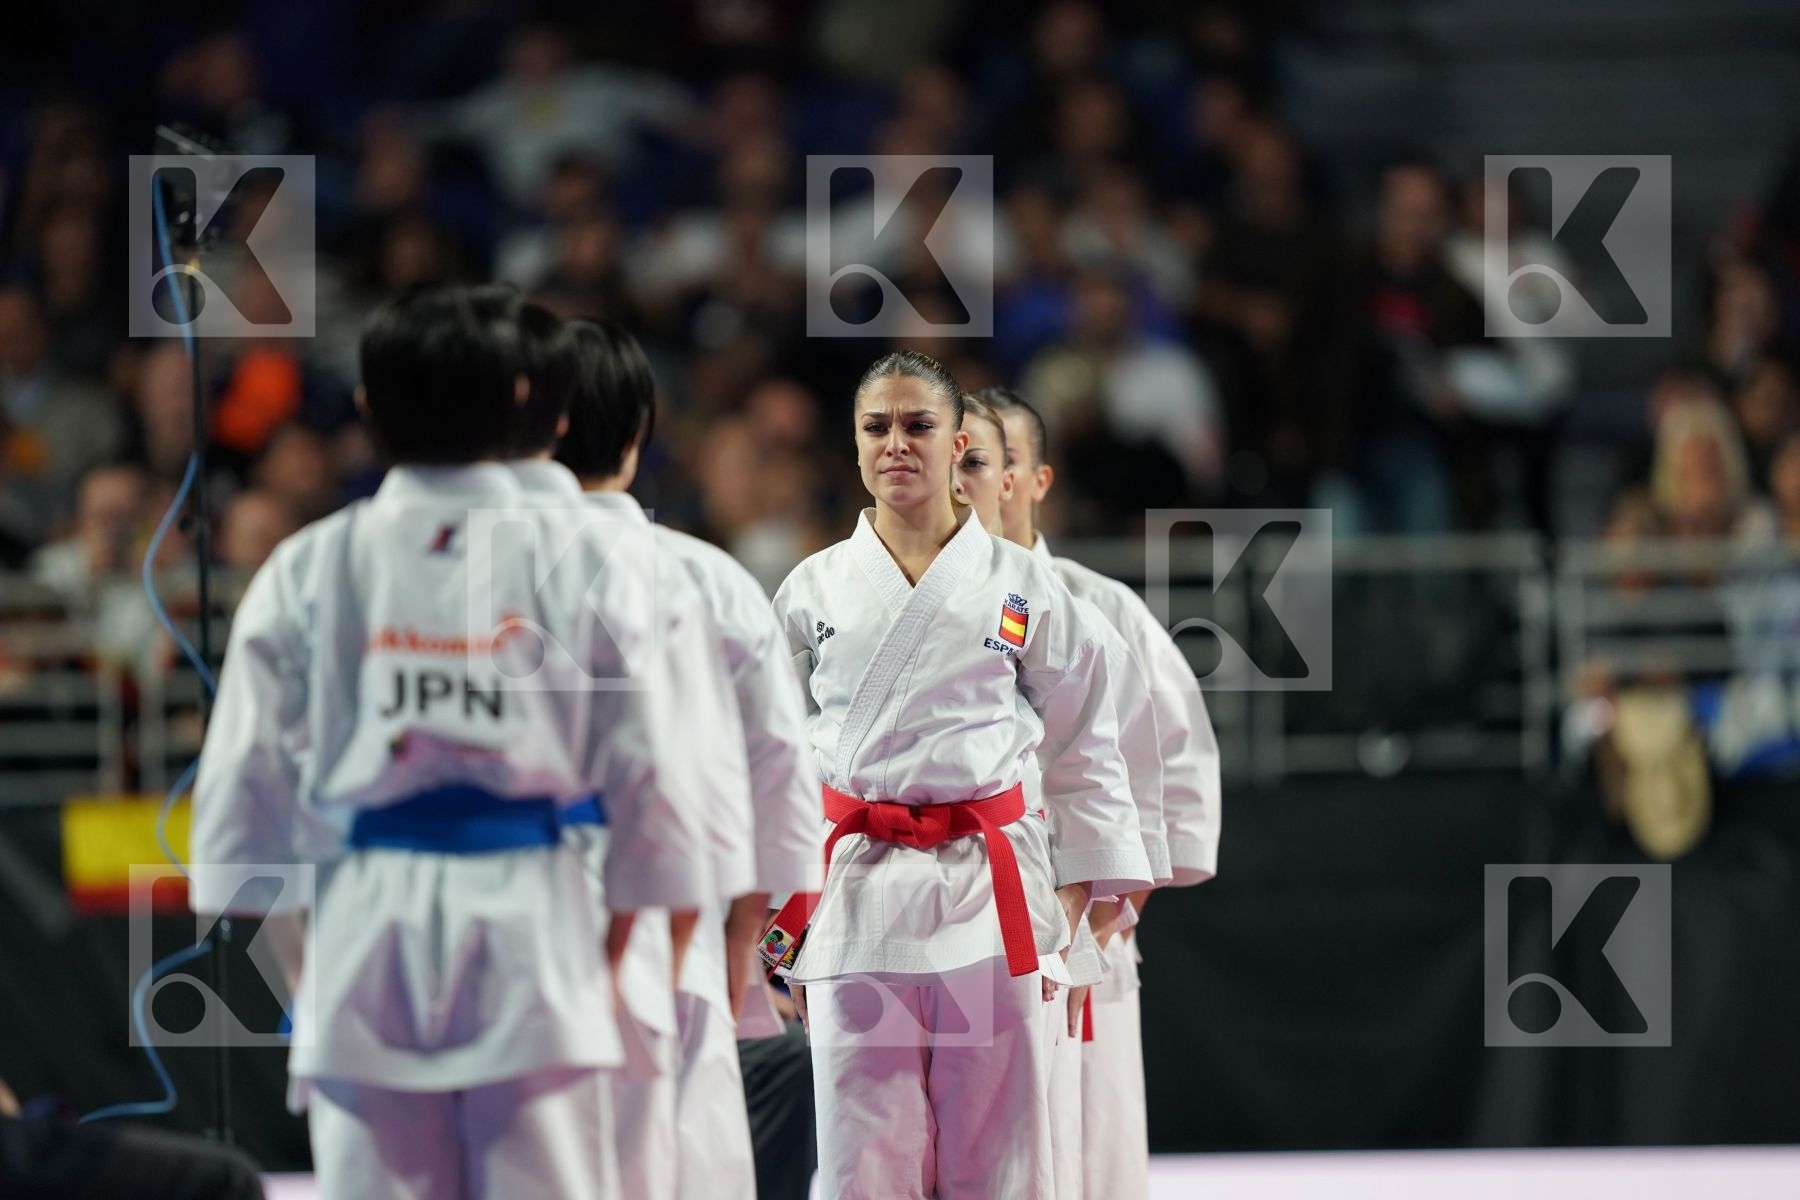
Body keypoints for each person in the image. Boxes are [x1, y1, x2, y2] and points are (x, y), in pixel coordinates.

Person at [190, 284, 735, 1200]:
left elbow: (244, 807)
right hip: (539, 925)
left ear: (367, 413)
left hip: (365, 932)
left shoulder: (309, 564)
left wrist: (310, 974)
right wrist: (616, 966)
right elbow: (656, 779)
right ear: (529, 405)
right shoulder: (586, 559)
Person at [773, 350, 1154, 1199]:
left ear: (957, 447)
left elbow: (1087, 740)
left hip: (990, 891)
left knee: (1001, 1147)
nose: (897, 444)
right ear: (856, 444)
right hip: (858, 889)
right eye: (878, 427)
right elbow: (769, 754)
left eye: (919, 426)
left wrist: (1080, 890)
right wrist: (773, 907)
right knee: (860, 1148)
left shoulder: (1025, 587)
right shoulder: (812, 588)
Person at [540, 317, 822, 1200]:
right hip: (677, 938)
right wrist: (751, 951)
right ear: (636, 438)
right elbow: (781, 787)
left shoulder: (448, 573)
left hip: (494, 936)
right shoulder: (706, 581)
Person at [980, 384, 1224, 1200]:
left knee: (1091, 1156)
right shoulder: (921, 613)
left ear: (1040, 480)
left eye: (1003, 459)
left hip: (1082, 924)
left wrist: (1111, 909)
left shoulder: (1104, 609)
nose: (985, 479)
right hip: (956, 919)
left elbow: (1174, 778)